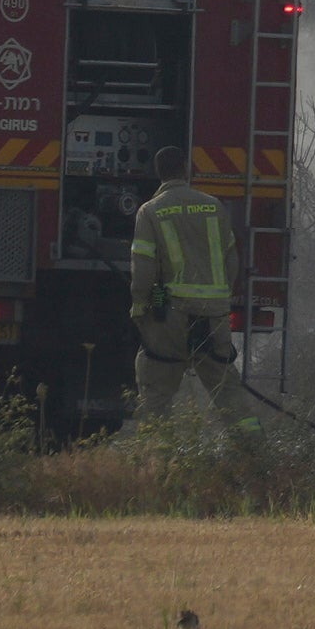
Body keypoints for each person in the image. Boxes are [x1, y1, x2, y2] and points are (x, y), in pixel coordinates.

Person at [127, 165, 243, 438]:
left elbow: (143, 268)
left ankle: (160, 460)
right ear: (189, 173)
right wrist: (221, 298)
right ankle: (257, 455)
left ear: (159, 175)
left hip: (173, 316)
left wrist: (140, 307)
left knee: (156, 393)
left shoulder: (150, 210)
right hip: (214, 317)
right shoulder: (214, 207)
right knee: (229, 395)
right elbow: (232, 259)